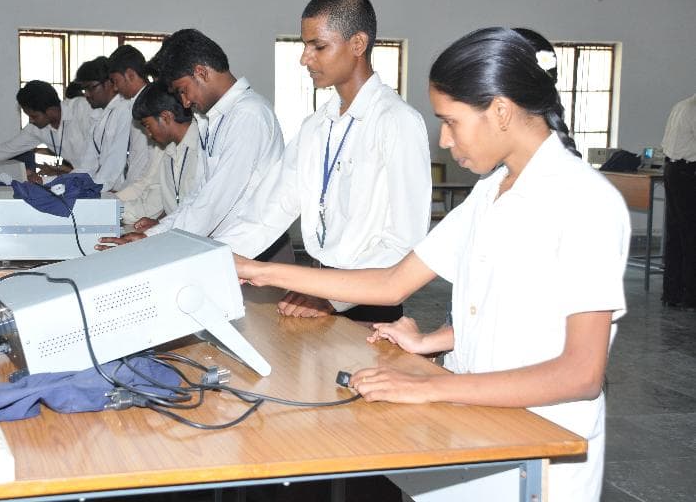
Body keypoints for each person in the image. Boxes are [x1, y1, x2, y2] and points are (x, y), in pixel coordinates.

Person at [235, 27, 631, 502]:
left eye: (451, 121)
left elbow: (580, 373)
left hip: (543, 440)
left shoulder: (585, 202)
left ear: (501, 111)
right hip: (474, 423)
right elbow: (394, 281)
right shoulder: (491, 191)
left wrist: (432, 387)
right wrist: (258, 271)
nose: (443, 139)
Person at [215, 0, 431, 322]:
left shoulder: (397, 122)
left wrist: (333, 296)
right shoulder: (316, 127)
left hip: (371, 300)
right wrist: (211, 260)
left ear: (357, 45)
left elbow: (405, 243)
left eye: (318, 46)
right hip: (322, 287)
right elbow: (268, 211)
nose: (305, 58)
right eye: (304, 46)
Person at [97, 29, 285, 254]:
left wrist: (157, 238)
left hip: (255, 254)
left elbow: (215, 200)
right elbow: (198, 195)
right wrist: (153, 234)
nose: (185, 102)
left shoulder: (248, 115)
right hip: (224, 247)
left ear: (201, 72)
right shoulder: (213, 120)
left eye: (183, 90)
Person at [105, 82, 200, 227]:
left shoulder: (203, 147)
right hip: (176, 232)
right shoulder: (168, 150)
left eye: (148, 126)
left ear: (166, 117)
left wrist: (160, 225)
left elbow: (200, 210)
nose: (148, 134)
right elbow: (155, 197)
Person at [0, 80, 90, 175]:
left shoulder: (81, 109)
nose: (31, 120)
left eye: (34, 115)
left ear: (51, 110)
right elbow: (6, 149)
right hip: (88, 180)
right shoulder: (36, 128)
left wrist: (67, 171)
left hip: (106, 179)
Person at [70, 57, 136, 191]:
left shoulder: (125, 110)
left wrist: (92, 191)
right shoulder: (99, 116)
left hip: (122, 191)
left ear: (110, 83)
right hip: (106, 188)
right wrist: (56, 183)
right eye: (84, 90)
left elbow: (115, 162)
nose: (87, 94)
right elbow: (87, 165)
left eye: (91, 88)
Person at [107, 45, 163, 201]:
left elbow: (147, 167)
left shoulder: (150, 106)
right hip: (134, 190)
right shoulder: (134, 104)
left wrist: (121, 197)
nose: (115, 88)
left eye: (116, 81)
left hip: (145, 194)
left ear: (130, 75)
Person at [660, 91, 696, 309]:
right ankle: (690, 294)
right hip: (689, 173)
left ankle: (672, 292)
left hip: (673, 169)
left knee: (675, 233)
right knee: (691, 234)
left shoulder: (681, 105)